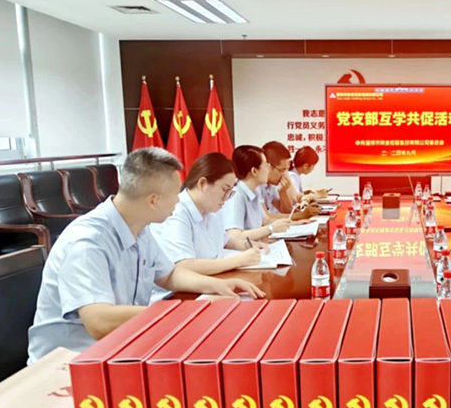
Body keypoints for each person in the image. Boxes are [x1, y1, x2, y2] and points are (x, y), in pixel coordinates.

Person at [27, 148, 264, 363]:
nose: (178, 200)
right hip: (70, 362)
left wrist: (218, 286)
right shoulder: (88, 241)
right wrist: (191, 312)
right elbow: (98, 321)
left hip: (120, 345)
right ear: (153, 200)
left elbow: (169, 275)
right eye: (175, 194)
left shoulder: (140, 228)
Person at [151, 152, 270, 278]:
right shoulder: (176, 213)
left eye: (230, 192)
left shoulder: (211, 209)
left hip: (213, 279)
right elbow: (183, 265)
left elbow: (226, 241)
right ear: (202, 183)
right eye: (224, 189)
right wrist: (238, 261)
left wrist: (246, 245)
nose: (227, 197)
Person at [222, 145, 293, 241]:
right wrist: (271, 228)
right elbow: (234, 236)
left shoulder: (254, 191)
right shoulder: (236, 196)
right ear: (254, 171)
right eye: (266, 165)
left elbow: (266, 221)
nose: (268, 169)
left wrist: (294, 223)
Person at [260, 141, 320, 218]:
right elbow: (265, 218)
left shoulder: (271, 185)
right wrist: (301, 215)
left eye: (286, 170)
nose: (285, 174)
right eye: (282, 170)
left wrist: (283, 192)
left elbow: (286, 210)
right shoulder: (257, 184)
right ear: (268, 167)